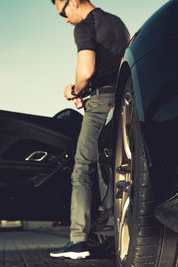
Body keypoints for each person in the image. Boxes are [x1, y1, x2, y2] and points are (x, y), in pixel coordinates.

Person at [49, 0, 130, 259]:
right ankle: (109, 235)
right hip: (122, 102)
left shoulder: (85, 26)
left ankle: (77, 241)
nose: (65, 19)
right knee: (113, 169)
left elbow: (87, 70)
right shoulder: (116, 22)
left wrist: (74, 89)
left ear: (72, 2)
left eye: (63, 12)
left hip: (99, 103)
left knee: (82, 168)